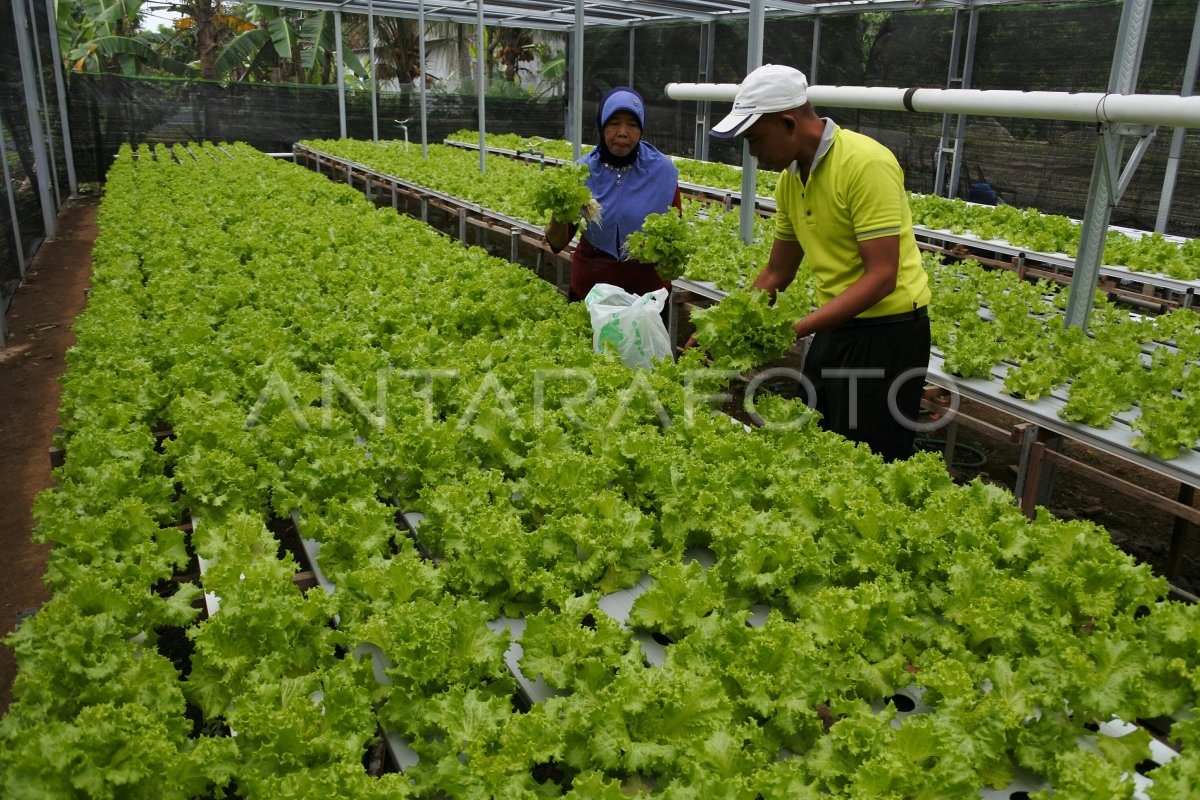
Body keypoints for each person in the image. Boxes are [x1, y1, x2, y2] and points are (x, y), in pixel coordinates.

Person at [709, 64, 931, 462]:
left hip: (887, 334)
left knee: (869, 457)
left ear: (789, 123)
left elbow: (881, 277)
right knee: (817, 440)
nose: (753, 153)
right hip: (836, 325)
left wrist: (795, 330)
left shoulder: (865, 164)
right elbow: (778, 272)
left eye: (755, 139)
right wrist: (723, 325)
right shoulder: (790, 181)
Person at [544, 86, 682, 302]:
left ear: (642, 128)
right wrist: (560, 211)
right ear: (602, 124)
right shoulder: (581, 172)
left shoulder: (662, 172)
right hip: (590, 295)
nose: (623, 132)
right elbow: (557, 243)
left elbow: (674, 240)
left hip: (645, 300)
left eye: (633, 124)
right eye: (614, 122)